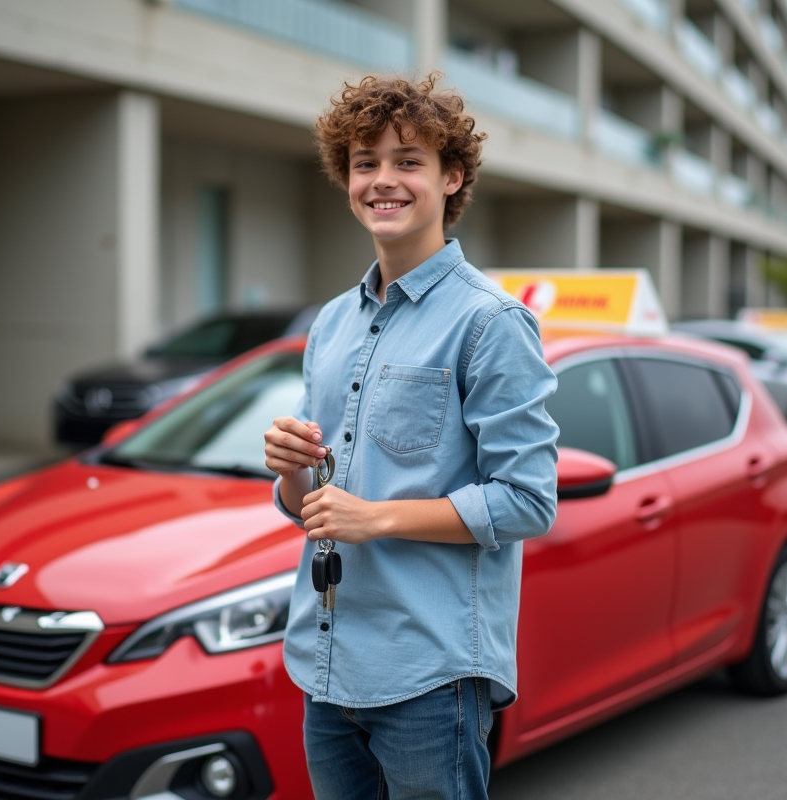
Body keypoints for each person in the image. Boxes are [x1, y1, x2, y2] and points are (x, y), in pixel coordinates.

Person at [263, 74, 559, 799]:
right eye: (366, 163)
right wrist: (291, 472)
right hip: (326, 660)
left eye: (407, 161)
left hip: (430, 676)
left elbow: (527, 501)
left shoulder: (491, 323)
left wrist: (378, 517)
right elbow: (311, 506)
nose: (383, 181)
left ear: (450, 177)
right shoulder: (331, 323)